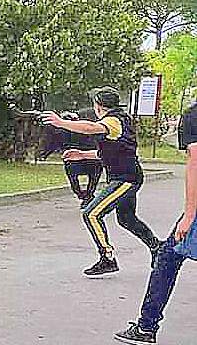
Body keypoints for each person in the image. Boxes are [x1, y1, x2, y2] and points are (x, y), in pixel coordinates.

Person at [42, 86, 160, 277]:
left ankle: (107, 258)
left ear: (98, 105)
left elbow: (90, 128)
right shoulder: (120, 120)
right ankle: (157, 248)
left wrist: (60, 122)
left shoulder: (112, 120)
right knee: (126, 219)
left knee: (91, 214)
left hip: (125, 179)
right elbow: (112, 152)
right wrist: (82, 154)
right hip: (127, 176)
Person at [114, 100, 197, 345]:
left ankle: (146, 328)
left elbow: (196, 159)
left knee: (168, 257)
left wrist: (190, 214)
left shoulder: (194, 116)